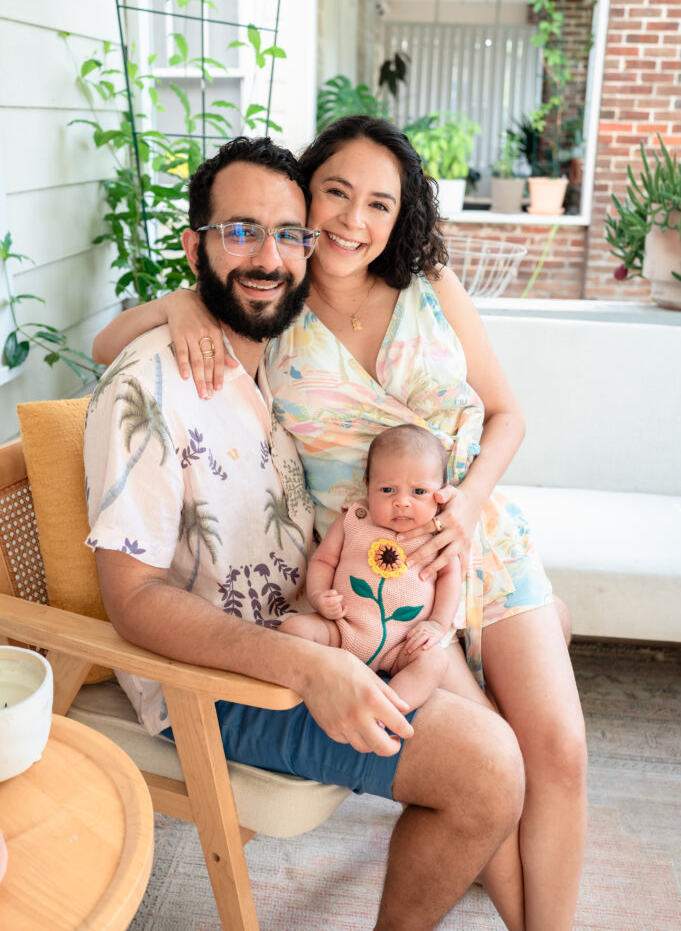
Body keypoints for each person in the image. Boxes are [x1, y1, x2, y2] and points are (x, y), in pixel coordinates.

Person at [93, 117, 587, 931]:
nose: (353, 220)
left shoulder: (428, 287)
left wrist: (463, 509)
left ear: (401, 219)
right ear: (307, 192)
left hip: (474, 537)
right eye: (335, 194)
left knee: (557, 751)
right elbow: (117, 347)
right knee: (492, 758)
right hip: (376, 571)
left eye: (380, 204)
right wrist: (182, 301)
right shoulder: (272, 313)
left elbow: (505, 413)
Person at [281, 424, 462, 710]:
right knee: (293, 630)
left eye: (419, 491)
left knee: (435, 660)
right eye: (387, 489)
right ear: (367, 485)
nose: (402, 502)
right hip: (340, 632)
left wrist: (437, 623)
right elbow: (323, 560)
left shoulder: (436, 535)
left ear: (440, 494)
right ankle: (328, 689)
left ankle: (385, 710)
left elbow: (451, 576)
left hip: (401, 646)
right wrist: (318, 596)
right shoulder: (355, 519)